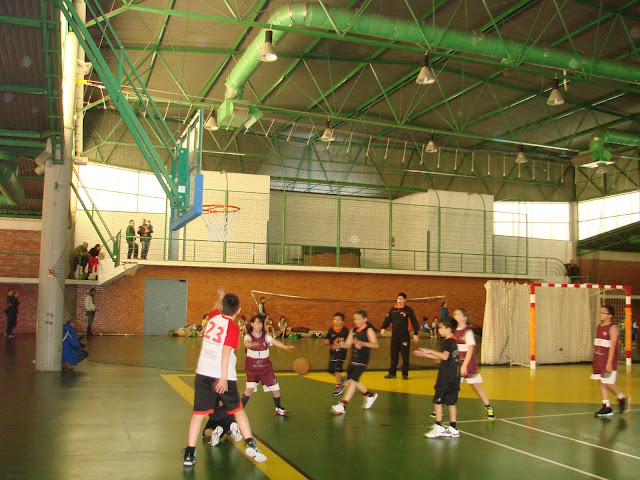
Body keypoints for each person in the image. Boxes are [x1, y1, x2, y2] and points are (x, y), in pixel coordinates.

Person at [182, 290, 267, 467]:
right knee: (238, 410)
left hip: (203, 373)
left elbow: (216, 308)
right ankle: (250, 443)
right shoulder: (233, 328)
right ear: (239, 310)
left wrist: (220, 298)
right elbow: (226, 353)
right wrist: (222, 378)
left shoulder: (213, 317)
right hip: (223, 375)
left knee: (198, 415)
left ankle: (189, 454)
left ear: (222, 307)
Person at [414, 316, 460, 438]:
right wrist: (425, 355)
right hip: (454, 377)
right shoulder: (454, 342)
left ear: (448, 329)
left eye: (441, 328)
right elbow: (442, 358)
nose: (439, 330)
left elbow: (444, 356)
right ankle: (453, 428)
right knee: (451, 403)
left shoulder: (448, 342)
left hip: (445, 378)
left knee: (438, 401)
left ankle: (439, 426)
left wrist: (429, 351)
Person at [241, 315, 294, 416]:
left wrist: (284, 347)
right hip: (252, 370)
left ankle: (278, 408)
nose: (259, 325)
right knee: (249, 390)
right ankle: (238, 411)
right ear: (252, 324)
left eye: (261, 323)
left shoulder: (265, 336)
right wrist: (251, 345)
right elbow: (246, 343)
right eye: (257, 323)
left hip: (266, 369)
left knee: (276, 390)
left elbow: (274, 341)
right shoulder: (248, 336)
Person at [330, 310, 379, 415]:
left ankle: (342, 405)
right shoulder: (353, 331)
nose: (356, 321)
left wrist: (363, 344)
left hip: (362, 361)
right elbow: (348, 344)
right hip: (353, 360)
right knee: (351, 381)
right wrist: (339, 345)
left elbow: (375, 344)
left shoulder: (368, 330)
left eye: (358, 319)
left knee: (352, 381)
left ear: (365, 319)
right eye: (355, 319)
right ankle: (369, 395)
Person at [451, 308, 495, 419]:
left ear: (464, 318)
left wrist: (465, 365)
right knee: (451, 386)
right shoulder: (453, 330)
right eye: (455, 314)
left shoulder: (468, 332)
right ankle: (440, 407)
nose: (456, 316)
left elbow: (470, 350)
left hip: (467, 362)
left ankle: (488, 407)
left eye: (458, 314)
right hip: (456, 361)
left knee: (476, 386)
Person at [592, 305, 627, 417]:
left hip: (608, 360)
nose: (600, 314)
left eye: (603, 312)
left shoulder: (613, 328)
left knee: (608, 382)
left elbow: (613, 347)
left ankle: (622, 398)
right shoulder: (599, 327)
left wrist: (609, 363)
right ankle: (606, 406)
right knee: (601, 381)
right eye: (600, 312)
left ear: (610, 316)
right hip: (599, 359)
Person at [380, 293, 419, 379]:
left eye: (401, 299)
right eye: (398, 298)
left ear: (405, 300)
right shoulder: (392, 310)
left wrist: (416, 333)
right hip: (394, 336)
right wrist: (383, 328)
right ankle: (392, 373)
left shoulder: (408, 310)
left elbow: (414, 321)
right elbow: (387, 320)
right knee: (393, 355)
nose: (399, 300)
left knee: (405, 355)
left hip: (404, 336)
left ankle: (405, 374)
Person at [324, 312, 349, 396]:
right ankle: (342, 379)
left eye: (339, 320)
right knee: (330, 370)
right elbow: (327, 340)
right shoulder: (331, 331)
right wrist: (326, 342)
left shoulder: (345, 331)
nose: (336, 321)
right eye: (335, 319)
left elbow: (349, 341)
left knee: (337, 369)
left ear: (342, 322)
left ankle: (339, 386)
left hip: (341, 353)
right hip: (333, 353)